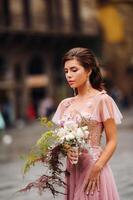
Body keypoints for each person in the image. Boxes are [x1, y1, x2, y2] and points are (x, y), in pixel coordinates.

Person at [52, 47, 122, 200]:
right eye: (66, 71)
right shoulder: (65, 104)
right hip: (73, 169)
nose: (69, 75)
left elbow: (113, 141)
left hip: (95, 167)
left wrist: (97, 167)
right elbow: (62, 140)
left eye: (74, 70)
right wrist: (67, 148)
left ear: (89, 70)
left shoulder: (102, 100)